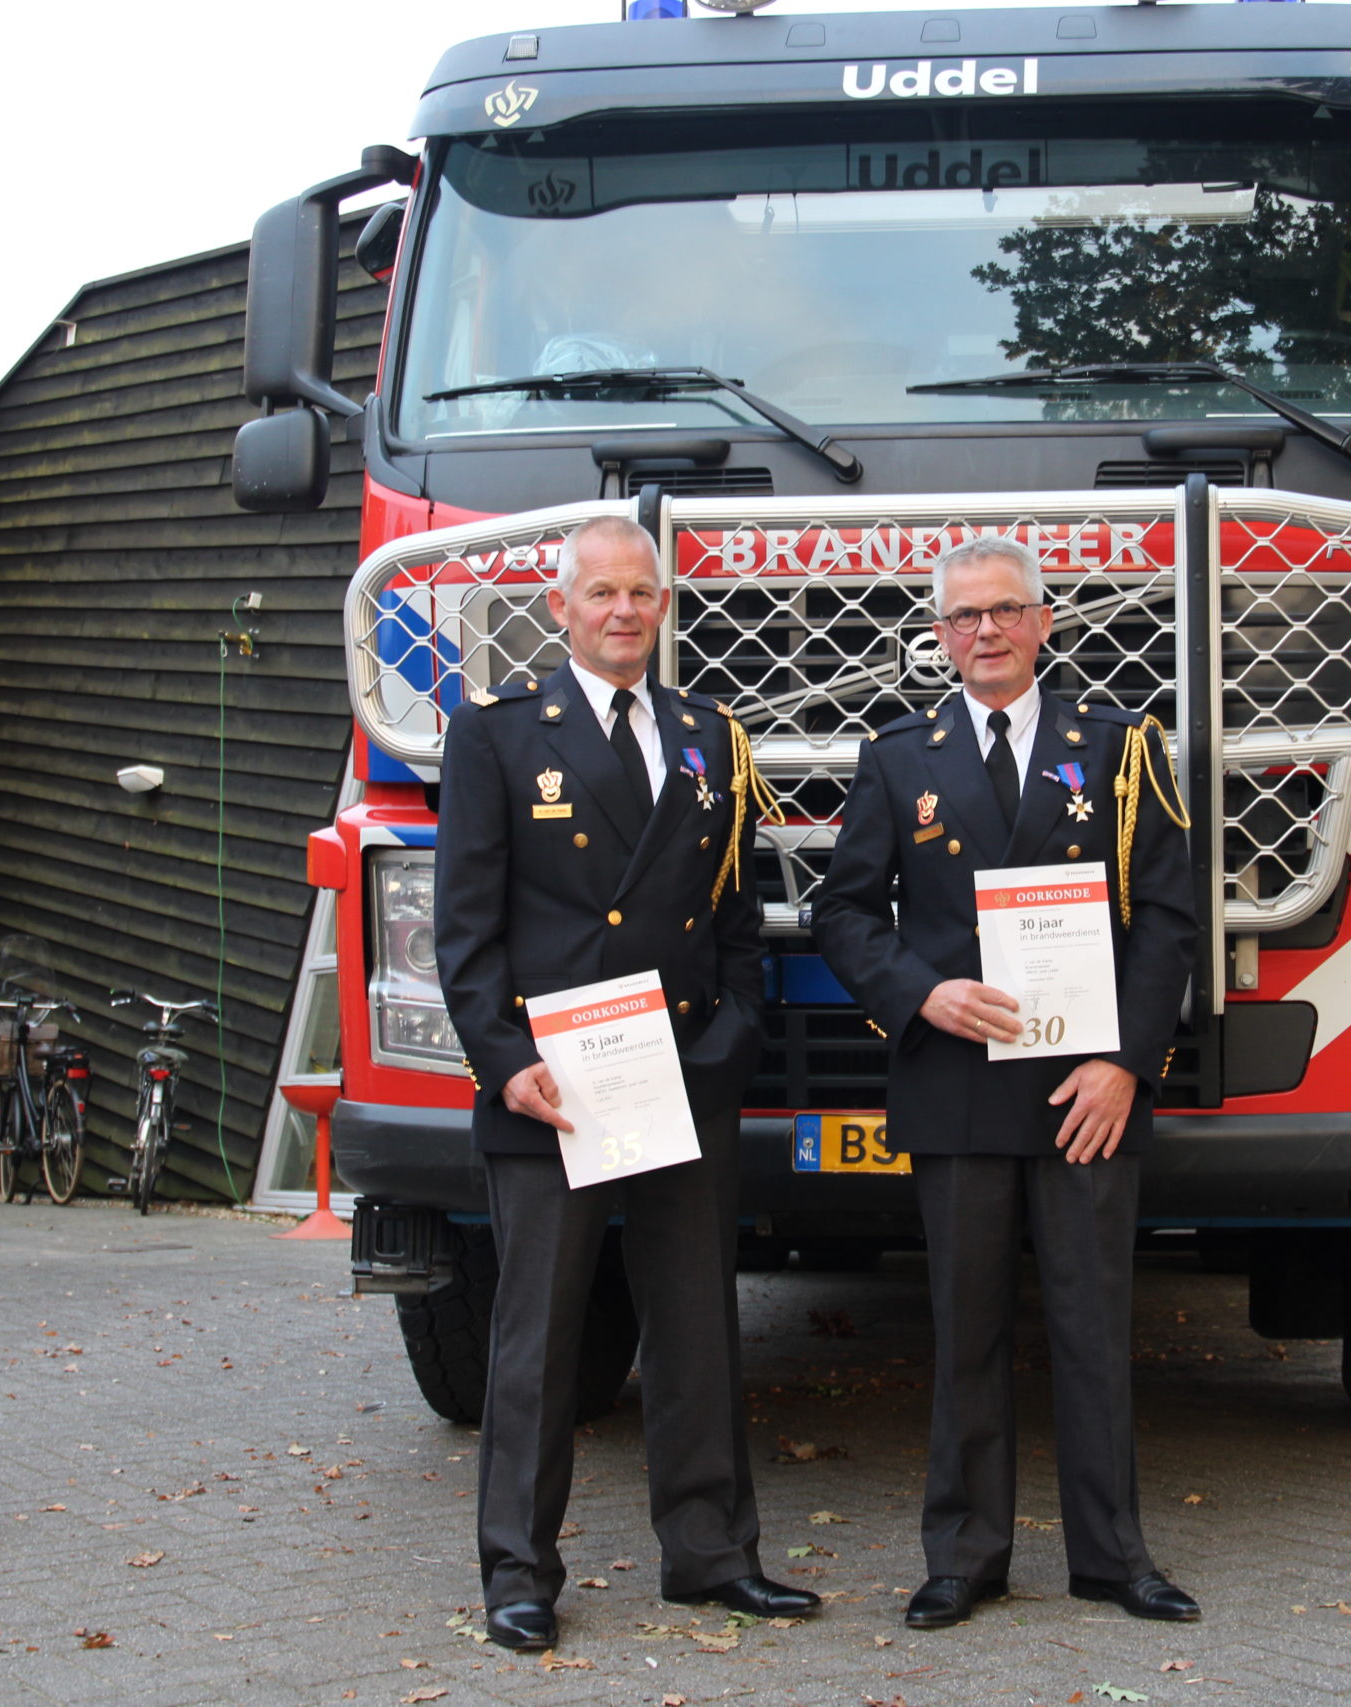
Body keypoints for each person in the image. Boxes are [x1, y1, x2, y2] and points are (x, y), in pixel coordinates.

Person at [433, 513, 819, 1651]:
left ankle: (711, 1554)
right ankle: (518, 1572)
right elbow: (465, 929)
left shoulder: (708, 736)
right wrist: (506, 1061)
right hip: (553, 1087)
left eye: (641, 592)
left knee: (697, 1325)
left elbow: (737, 917)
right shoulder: (499, 735)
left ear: (662, 606)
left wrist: (732, 1040)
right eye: (600, 592)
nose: (622, 611)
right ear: (560, 608)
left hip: (681, 1076)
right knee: (539, 1336)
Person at [813, 533, 1201, 1630]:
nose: (984, 631)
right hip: (959, 1083)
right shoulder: (900, 756)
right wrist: (919, 993)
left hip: (1086, 1089)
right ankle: (964, 1557)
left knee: (1094, 1326)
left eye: (1004, 611)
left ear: (1043, 621)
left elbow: (1167, 917)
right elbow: (844, 911)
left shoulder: (1119, 746)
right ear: (938, 636)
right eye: (962, 617)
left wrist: (1127, 1063)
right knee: (966, 1330)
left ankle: (1112, 1558)